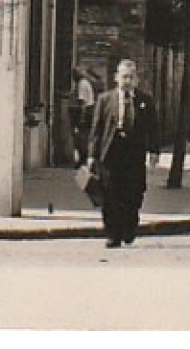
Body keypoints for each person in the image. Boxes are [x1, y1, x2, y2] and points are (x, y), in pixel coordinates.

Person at [85, 59, 161, 248]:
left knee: (134, 193)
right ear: (116, 78)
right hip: (110, 152)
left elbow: (153, 128)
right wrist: (92, 155)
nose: (127, 80)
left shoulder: (145, 101)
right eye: (124, 76)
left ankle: (129, 226)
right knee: (110, 194)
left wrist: (154, 151)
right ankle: (112, 233)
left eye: (131, 77)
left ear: (136, 80)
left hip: (134, 153)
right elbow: (97, 129)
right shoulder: (105, 100)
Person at [72, 68, 98, 167]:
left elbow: (82, 102)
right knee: (83, 137)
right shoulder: (85, 83)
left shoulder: (82, 84)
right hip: (88, 111)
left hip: (86, 112)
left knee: (81, 137)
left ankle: (83, 159)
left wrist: (81, 118)